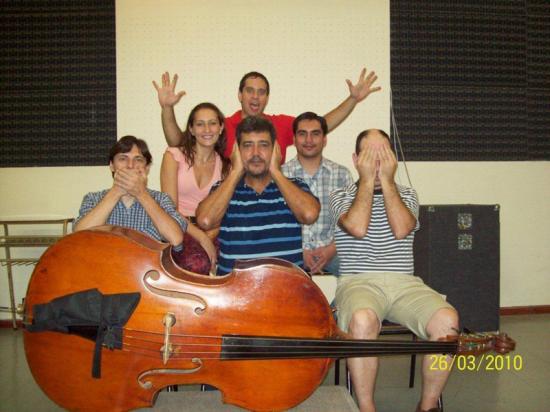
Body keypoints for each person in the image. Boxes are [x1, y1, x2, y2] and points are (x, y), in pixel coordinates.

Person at [329, 129, 459, 412]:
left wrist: (387, 181)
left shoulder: (408, 194)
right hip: (358, 281)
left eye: (383, 155)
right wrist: (368, 180)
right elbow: (357, 227)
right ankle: (367, 408)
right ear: (356, 159)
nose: (377, 163)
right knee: (362, 321)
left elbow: (401, 229)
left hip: (404, 283)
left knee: (447, 321)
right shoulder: (339, 195)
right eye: (369, 155)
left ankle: (427, 406)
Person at [153, 68, 381, 163]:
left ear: (267, 97)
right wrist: (167, 108)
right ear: (240, 95)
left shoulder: (279, 124)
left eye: (261, 92)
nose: (255, 97)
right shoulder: (224, 125)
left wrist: (353, 99)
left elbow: (319, 126)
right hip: (232, 205)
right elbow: (178, 142)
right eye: (250, 91)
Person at [196, 116, 320, 275]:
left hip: (286, 287)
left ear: (275, 150)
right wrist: (235, 172)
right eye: (248, 145)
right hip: (235, 289)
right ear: (237, 151)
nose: (255, 153)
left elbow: (309, 215)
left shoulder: (295, 186)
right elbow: (205, 221)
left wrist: (276, 171)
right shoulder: (223, 189)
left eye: (263, 145)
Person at [75, 135, 187, 252]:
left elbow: (176, 239)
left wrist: (141, 194)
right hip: (102, 261)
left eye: (138, 159)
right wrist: (116, 191)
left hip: (145, 262)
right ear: (112, 166)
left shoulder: (161, 199)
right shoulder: (93, 198)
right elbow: (79, 237)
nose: (130, 165)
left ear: (147, 167)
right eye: (123, 159)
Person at [160, 102, 231, 274]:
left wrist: (210, 235)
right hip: (178, 228)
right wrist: (201, 238)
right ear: (191, 129)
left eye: (212, 123)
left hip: (213, 231)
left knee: (237, 263)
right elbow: (169, 209)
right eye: (200, 124)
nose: (207, 129)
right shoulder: (173, 156)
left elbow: (228, 213)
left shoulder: (227, 167)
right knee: (197, 264)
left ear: (221, 127)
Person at [281, 112, 353, 274]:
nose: (309, 140)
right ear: (294, 139)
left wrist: (331, 250)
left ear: (324, 139)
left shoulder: (341, 175)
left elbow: (350, 222)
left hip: (333, 251)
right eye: (302, 134)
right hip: (291, 252)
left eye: (315, 134)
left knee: (360, 274)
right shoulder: (280, 175)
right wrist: (299, 251)